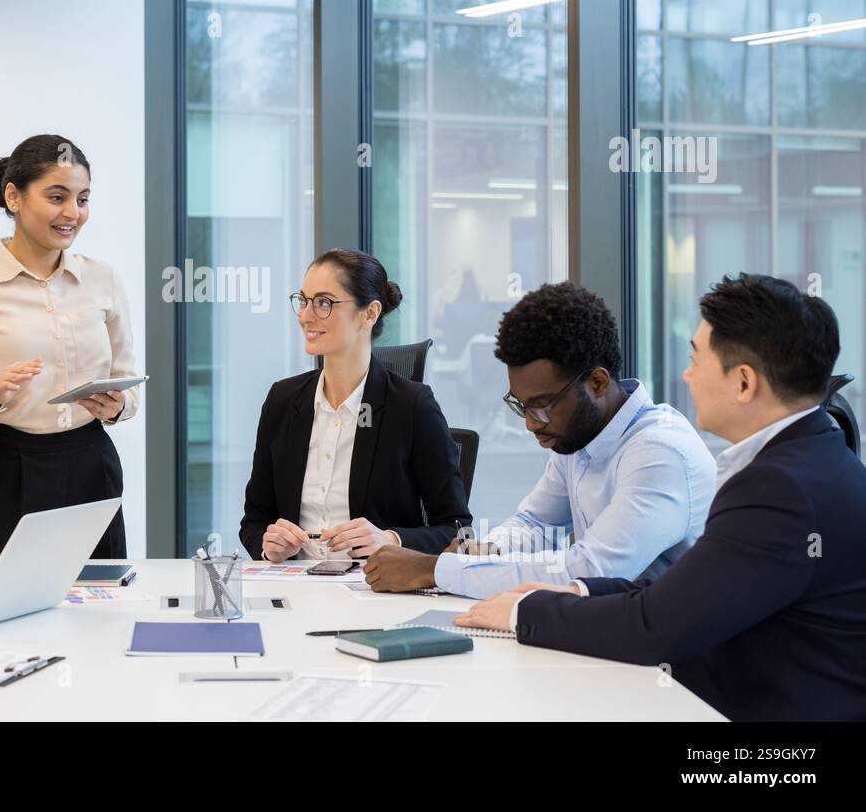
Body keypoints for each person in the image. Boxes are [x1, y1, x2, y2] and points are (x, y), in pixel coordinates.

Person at [457, 274, 866, 721]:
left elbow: (655, 626)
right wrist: (575, 590)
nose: (687, 375)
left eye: (696, 359)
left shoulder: (779, 489)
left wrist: (524, 609)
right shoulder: (803, 461)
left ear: (744, 383)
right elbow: (681, 593)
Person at [365, 281, 715, 598]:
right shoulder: (579, 436)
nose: (532, 424)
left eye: (543, 406)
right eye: (522, 406)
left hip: (665, 659)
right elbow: (536, 525)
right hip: (610, 627)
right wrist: (480, 551)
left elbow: (586, 570)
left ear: (596, 383)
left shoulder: (659, 453)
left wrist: (432, 570)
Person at [0, 134, 138, 559]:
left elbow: (130, 389)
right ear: (13, 197)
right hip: (1, 469)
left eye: (83, 199)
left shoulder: (103, 279)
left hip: (91, 465)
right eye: (57, 197)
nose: (73, 213)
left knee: (100, 608)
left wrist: (119, 406)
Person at [239, 249, 470, 562]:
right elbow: (254, 522)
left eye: (324, 303)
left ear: (369, 313)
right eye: (303, 300)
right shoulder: (283, 401)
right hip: (295, 588)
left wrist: (390, 539)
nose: (305, 315)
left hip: (374, 590)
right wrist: (268, 545)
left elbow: (459, 531)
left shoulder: (412, 407)